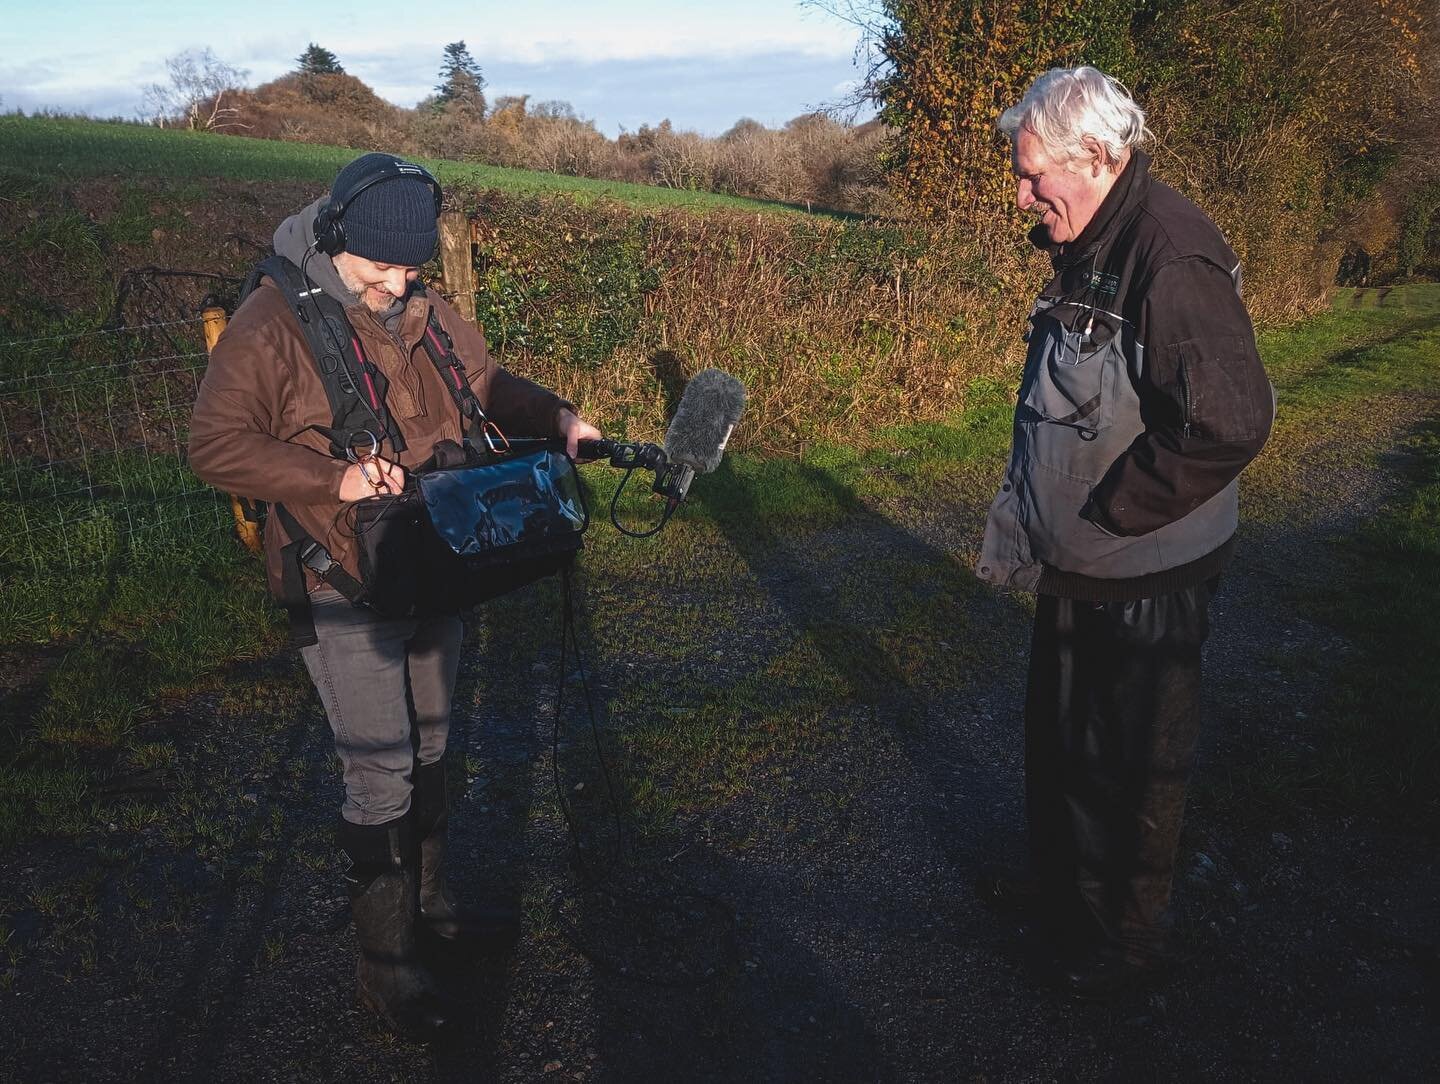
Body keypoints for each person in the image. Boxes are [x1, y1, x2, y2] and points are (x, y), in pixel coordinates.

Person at [188, 152, 601, 1039]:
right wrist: (330, 480)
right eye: (383, 266)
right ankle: (387, 968)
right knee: (379, 768)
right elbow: (213, 446)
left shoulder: (425, 306)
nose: (399, 282)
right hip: (341, 576)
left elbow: (483, 386)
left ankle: (433, 902)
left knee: (437, 742)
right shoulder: (271, 325)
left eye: (413, 267)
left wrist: (557, 417)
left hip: (433, 553)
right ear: (338, 241)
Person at [974, 68, 1274, 997]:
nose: (1020, 196)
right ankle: (1071, 912)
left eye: (1033, 177)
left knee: (1131, 767)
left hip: (1145, 572)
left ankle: (1123, 953)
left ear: (1098, 157)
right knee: (1064, 748)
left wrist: (1111, 513)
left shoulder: (1170, 255)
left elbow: (1230, 421)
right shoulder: (1097, 236)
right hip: (1085, 566)